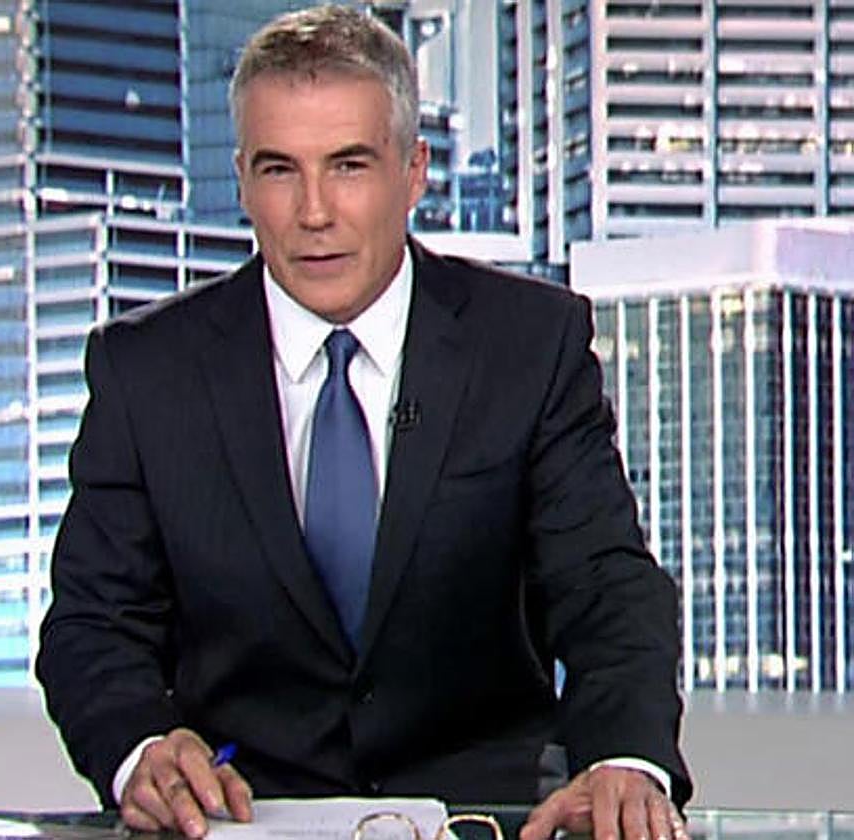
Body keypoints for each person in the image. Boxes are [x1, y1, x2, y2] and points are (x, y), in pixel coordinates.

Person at [36, 5, 692, 840]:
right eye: (280, 170)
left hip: (482, 821)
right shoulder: (148, 370)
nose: (314, 212)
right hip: (238, 823)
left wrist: (624, 760)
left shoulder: (528, 346)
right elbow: (92, 622)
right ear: (242, 181)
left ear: (413, 172)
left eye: (348, 166)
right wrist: (140, 749)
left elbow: (606, 589)